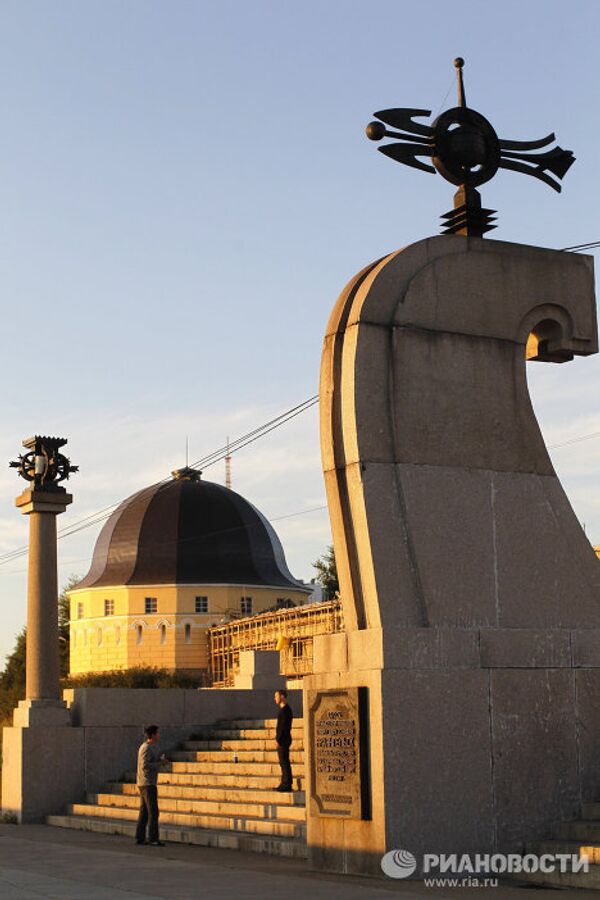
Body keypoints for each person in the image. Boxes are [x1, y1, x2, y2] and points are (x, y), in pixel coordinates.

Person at [135, 724, 168, 846]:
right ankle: (153, 838)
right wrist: (160, 763)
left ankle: (140, 837)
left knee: (144, 811)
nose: (159, 735)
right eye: (158, 733)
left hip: (145, 782)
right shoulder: (146, 748)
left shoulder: (149, 747)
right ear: (153, 735)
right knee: (153, 811)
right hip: (147, 783)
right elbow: (145, 765)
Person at [274, 689, 293, 792]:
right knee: (283, 762)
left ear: (282, 696)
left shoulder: (286, 710)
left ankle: (287, 784)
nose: (275, 699)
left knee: (284, 762)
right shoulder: (283, 709)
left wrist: (278, 739)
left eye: (276, 696)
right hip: (283, 739)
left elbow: (284, 727)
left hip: (284, 740)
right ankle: (284, 782)